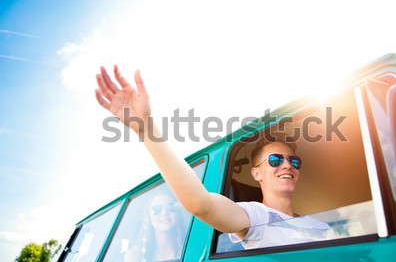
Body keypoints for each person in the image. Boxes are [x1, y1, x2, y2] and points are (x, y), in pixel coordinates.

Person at [95, 65, 334, 250]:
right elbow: (201, 204)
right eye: (275, 160)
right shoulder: (255, 216)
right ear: (256, 173)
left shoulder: (322, 227)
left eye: (293, 161)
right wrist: (145, 129)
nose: (286, 165)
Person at [124, 190, 188, 262]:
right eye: (156, 209)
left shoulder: (189, 249)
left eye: (171, 207)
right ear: (149, 218)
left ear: (177, 214)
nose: (164, 213)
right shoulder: (134, 255)